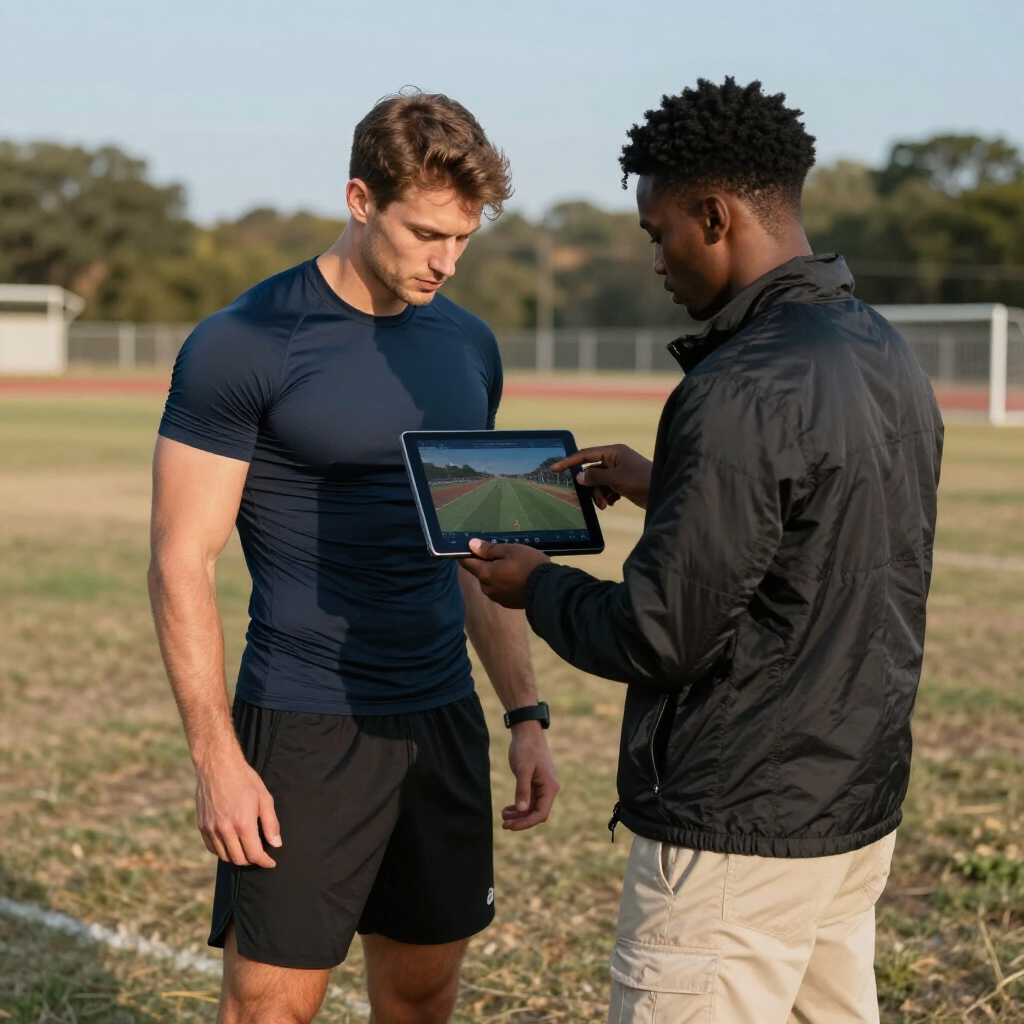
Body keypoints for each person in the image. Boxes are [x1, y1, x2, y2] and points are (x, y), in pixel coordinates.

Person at [462, 77, 943, 1024]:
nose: (655, 260)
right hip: (849, 809)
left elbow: (657, 637)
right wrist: (664, 480)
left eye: (657, 231)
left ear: (715, 216)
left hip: (739, 836)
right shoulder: (882, 350)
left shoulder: (739, 386)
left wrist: (538, 583)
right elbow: (815, 528)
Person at [148, 91, 559, 1024]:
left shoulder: (467, 345)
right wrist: (217, 760)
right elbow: (181, 560)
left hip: (439, 716)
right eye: (426, 235)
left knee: (422, 993)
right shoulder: (241, 343)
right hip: (302, 724)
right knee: (271, 1008)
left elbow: (478, 545)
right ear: (359, 199)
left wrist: (524, 712)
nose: (445, 263)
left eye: (464, 239)